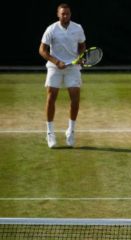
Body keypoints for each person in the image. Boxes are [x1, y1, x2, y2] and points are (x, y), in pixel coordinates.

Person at [39, 3, 86, 148]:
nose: (65, 16)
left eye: (67, 14)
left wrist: (81, 57)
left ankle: (71, 131)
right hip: (54, 67)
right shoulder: (51, 29)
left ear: (70, 15)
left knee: (75, 98)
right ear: (58, 15)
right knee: (51, 97)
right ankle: (50, 133)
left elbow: (82, 46)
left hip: (73, 67)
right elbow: (42, 50)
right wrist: (56, 61)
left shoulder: (78, 28)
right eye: (63, 14)